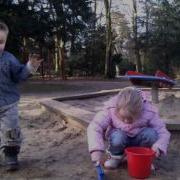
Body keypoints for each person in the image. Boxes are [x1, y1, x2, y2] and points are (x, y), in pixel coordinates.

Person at [87, 87, 170, 169]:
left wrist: (158, 145)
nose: (126, 121)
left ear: (140, 111)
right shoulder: (111, 109)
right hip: (120, 139)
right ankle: (116, 157)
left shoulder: (149, 111)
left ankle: (143, 158)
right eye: (122, 117)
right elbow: (95, 126)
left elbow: (163, 131)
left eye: (131, 118)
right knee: (118, 137)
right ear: (117, 108)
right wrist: (96, 150)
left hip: (139, 142)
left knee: (151, 134)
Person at [0, 21, 42, 171]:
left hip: (8, 105)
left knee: (11, 131)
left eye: (1, 42)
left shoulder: (8, 58)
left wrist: (30, 66)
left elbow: (19, 74)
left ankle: (11, 156)